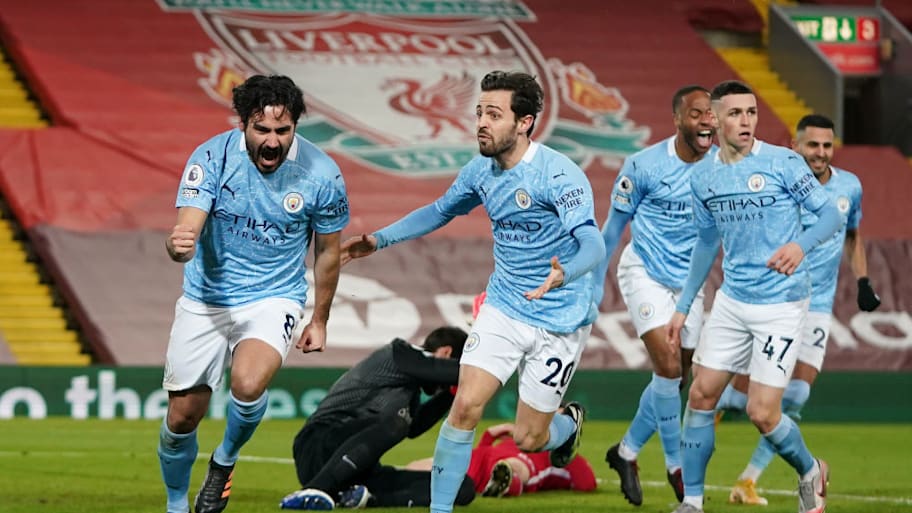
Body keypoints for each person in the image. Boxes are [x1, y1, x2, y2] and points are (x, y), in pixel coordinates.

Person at [340, 70, 606, 513]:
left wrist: (565, 273)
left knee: (529, 438)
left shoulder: (559, 175)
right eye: (480, 112)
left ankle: (567, 427)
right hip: (504, 307)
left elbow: (593, 243)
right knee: (465, 407)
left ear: (524, 123)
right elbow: (440, 210)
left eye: (494, 114)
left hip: (561, 315)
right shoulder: (480, 172)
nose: (481, 122)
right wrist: (379, 239)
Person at [157, 74, 350, 513]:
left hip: (273, 297)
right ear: (243, 124)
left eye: (283, 131)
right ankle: (174, 504)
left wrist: (318, 319)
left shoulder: (322, 174)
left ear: (296, 127)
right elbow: (186, 227)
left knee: (247, 383)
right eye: (262, 130)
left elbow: (328, 253)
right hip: (206, 299)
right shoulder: (211, 157)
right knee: (181, 418)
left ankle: (223, 462)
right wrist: (177, 244)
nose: (272, 141)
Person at [665, 80, 843, 513]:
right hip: (732, 300)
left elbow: (829, 215)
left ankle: (809, 471)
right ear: (715, 119)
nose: (746, 121)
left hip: (782, 304)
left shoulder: (784, 163)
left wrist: (800, 245)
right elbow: (706, 243)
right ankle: (692, 502)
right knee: (701, 395)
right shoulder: (704, 176)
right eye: (735, 113)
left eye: (751, 113)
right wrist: (684, 304)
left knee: (764, 413)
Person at [715, 113, 880, 506]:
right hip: (775, 301)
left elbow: (853, 235)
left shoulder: (849, 187)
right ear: (795, 145)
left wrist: (862, 281)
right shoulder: (776, 181)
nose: (820, 153)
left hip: (818, 305)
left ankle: (748, 480)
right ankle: (711, 416)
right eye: (813, 145)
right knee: (741, 401)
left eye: (827, 145)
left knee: (797, 396)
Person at [594, 85, 715, 506]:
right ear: (678, 120)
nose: (707, 122)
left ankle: (625, 452)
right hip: (644, 270)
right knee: (667, 363)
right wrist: (595, 280)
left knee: (679, 375)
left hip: (690, 283)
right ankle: (676, 464)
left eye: (711, 114)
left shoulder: (722, 167)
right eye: (697, 114)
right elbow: (612, 226)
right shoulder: (644, 165)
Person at [279, 327, 475, 510]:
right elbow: (454, 372)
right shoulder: (400, 353)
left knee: (460, 486)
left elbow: (414, 427)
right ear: (446, 354)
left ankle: (363, 499)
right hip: (317, 447)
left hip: (357, 468)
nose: (439, 388)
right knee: (397, 422)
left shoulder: (410, 388)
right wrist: (483, 367)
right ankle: (315, 490)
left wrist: (450, 394)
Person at [407, 420, 598, 498]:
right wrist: (492, 433)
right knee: (415, 468)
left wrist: (568, 453)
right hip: (478, 459)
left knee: (516, 465)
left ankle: (505, 480)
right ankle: (498, 480)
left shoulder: (561, 456)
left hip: (523, 466)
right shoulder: (518, 436)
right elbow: (485, 450)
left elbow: (587, 483)